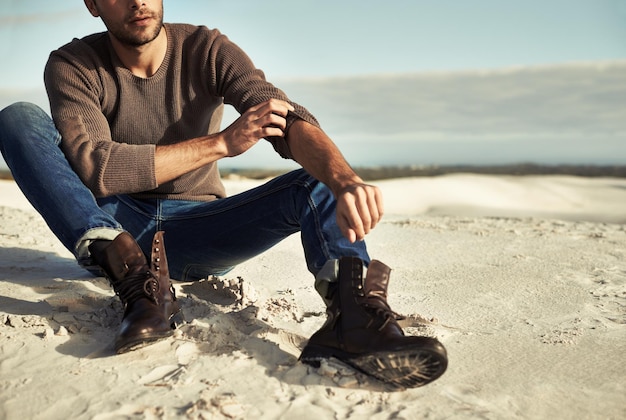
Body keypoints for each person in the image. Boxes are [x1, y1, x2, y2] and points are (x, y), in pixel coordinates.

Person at [0, 0, 447, 388]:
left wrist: (345, 178)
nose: (138, 1)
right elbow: (95, 167)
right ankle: (136, 283)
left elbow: (284, 117)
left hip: (201, 229)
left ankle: (354, 317)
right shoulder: (73, 64)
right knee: (18, 119)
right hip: (117, 225)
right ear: (93, 5)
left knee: (316, 183)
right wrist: (221, 144)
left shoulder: (206, 48)